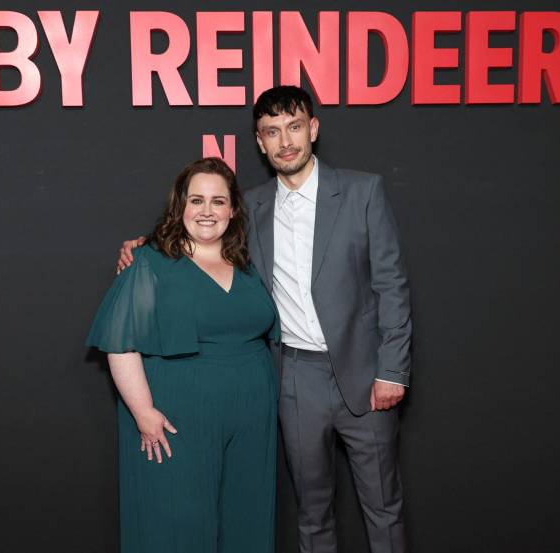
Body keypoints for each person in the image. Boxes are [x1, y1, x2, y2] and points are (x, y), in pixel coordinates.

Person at [118, 86, 412, 553]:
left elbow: (391, 286)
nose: (285, 141)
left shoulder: (362, 191)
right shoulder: (251, 207)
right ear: (260, 142)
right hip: (292, 377)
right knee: (312, 511)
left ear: (313, 129)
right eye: (272, 132)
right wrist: (143, 245)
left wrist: (391, 370)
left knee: (383, 504)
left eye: (294, 127)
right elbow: (199, 228)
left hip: (365, 376)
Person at [87, 157, 280, 553]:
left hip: (251, 418)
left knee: (245, 520)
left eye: (218, 201)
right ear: (181, 207)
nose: (207, 211)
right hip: (176, 418)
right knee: (177, 523)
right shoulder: (149, 262)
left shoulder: (247, 264)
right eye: (197, 200)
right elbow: (121, 344)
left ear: (232, 210)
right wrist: (143, 413)